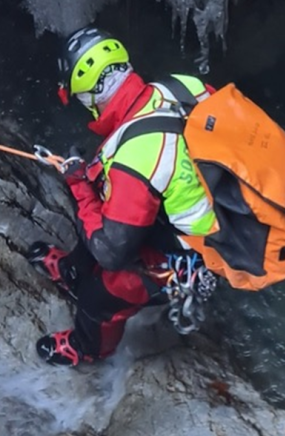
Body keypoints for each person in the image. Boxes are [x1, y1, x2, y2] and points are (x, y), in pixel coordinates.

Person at [27, 26, 218, 366]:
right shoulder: (180, 87)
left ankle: (88, 348)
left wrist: (79, 187)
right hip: (213, 209)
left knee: (98, 296)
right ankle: (71, 270)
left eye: (82, 99)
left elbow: (110, 252)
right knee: (105, 204)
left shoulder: (136, 158)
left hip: (193, 257)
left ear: (90, 95)